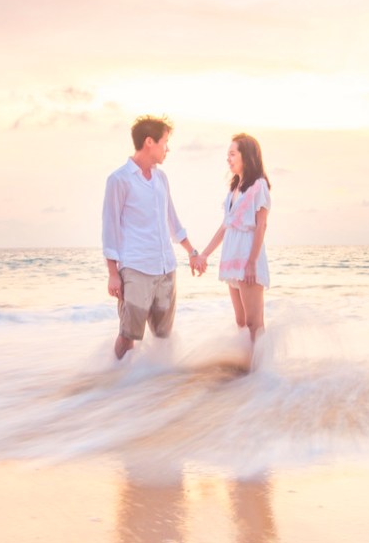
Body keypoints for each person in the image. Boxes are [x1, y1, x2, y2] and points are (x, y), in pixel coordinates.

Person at [102, 115, 202, 360]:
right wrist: (113, 274)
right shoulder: (119, 180)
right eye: (165, 142)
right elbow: (109, 228)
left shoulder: (161, 179)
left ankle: (157, 387)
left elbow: (173, 220)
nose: (167, 148)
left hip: (166, 268)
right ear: (149, 142)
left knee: (162, 338)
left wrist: (192, 252)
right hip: (135, 268)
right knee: (128, 337)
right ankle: (115, 383)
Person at [191, 133, 271, 343]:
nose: (228, 158)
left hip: (247, 259)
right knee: (241, 321)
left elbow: (261, 225)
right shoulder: (234, 189)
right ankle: (246, 368)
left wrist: (252, 262)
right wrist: (205, 255)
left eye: (232, 154)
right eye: (228, 154)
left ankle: (259, 370)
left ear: (247, 156)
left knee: (254, 323)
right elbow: (225, 226)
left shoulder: (258, 186)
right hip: (232, 259)